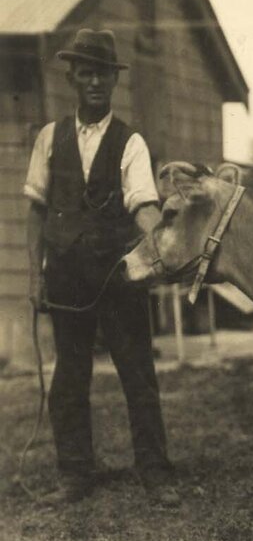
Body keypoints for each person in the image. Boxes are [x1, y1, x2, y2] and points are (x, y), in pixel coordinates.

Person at [24, 28, 178, 506]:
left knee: (137, 373)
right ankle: (75, 475)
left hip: (117, 276)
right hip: (65, 277)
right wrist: (35, 275)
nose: (95, 81)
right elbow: (36, 208)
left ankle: (155, 474)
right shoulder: (50, 137)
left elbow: (143, 204)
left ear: (114, 81)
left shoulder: (131, 142)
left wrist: (163, 243)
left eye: (103, 74)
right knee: (69, 377)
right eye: (86, 72)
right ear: (73, 77)